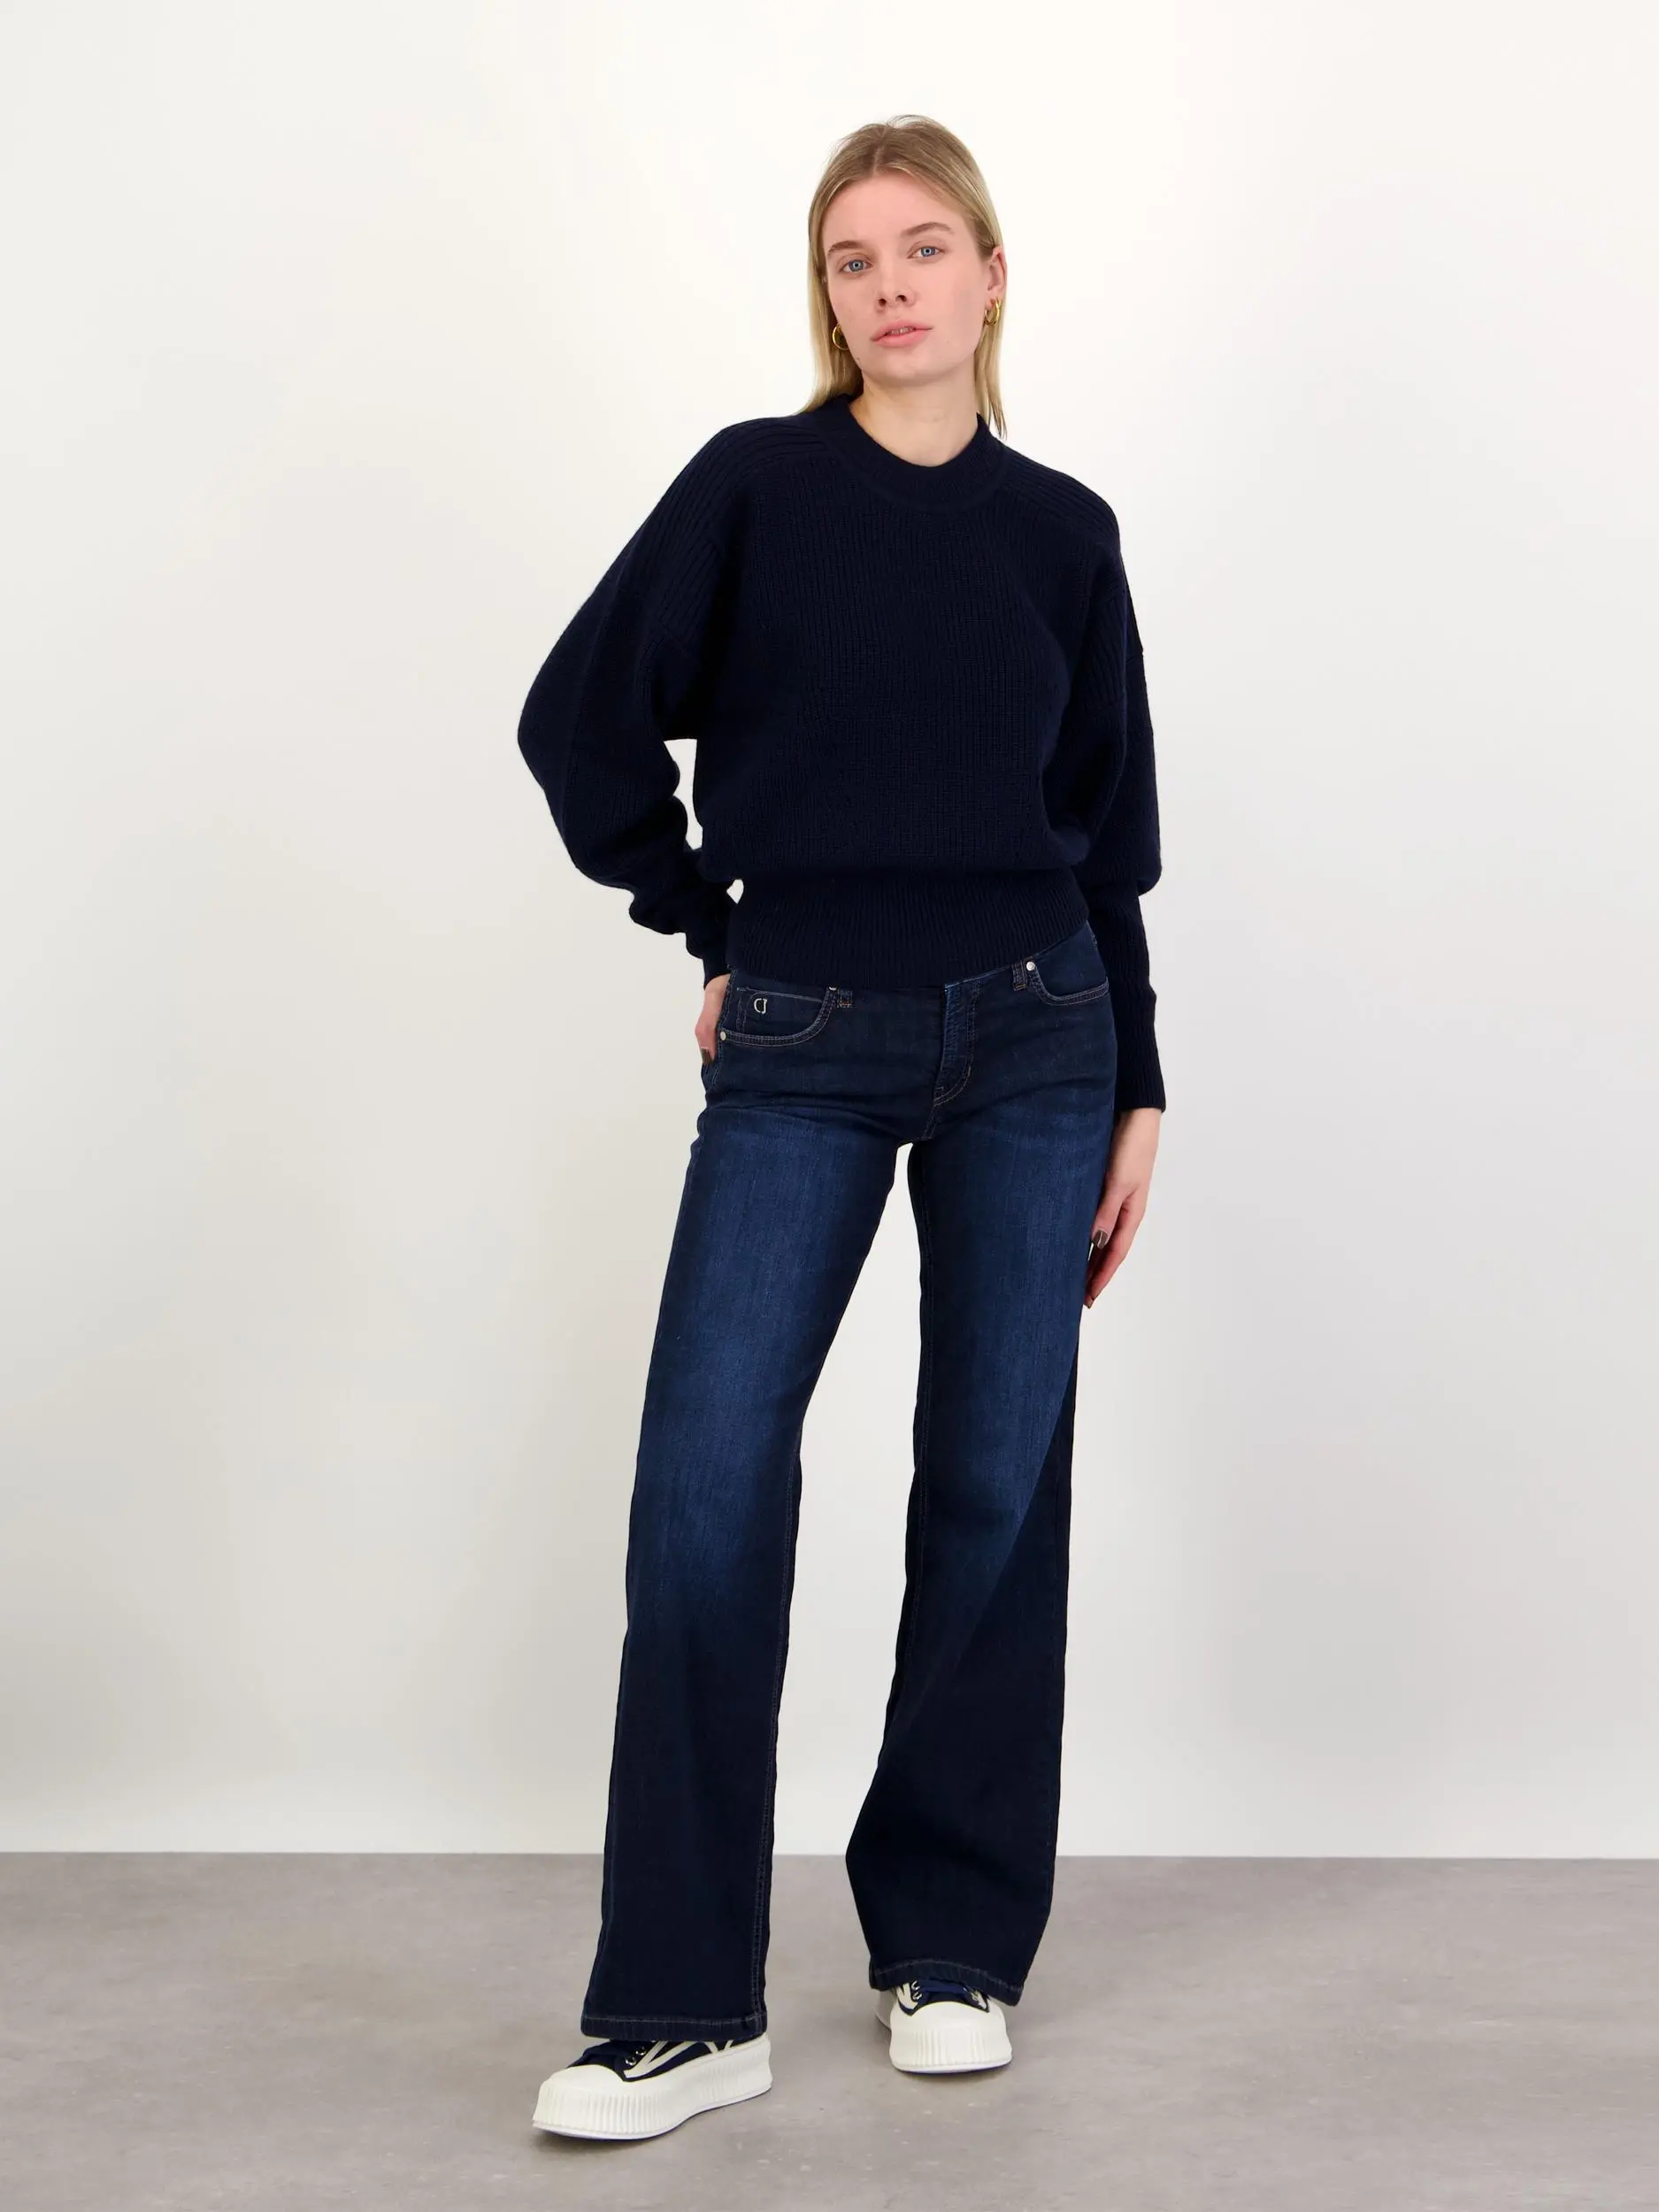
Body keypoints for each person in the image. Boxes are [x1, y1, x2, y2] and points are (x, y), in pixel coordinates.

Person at [514, 113, 1165, 2143]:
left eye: (923, 247)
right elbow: (578, 720)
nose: (888, 286)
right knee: (707, 1484)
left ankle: (949, 1942)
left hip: (1043, 1035)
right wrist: (713, 918)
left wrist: (1140, 1077)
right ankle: (679, 2002)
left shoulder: (1064, 532)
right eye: (851, 258)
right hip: (801, 1031)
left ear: (991, 274)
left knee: (993, 1481)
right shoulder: (754, 487)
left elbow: (1108, 838)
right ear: (827, 296)